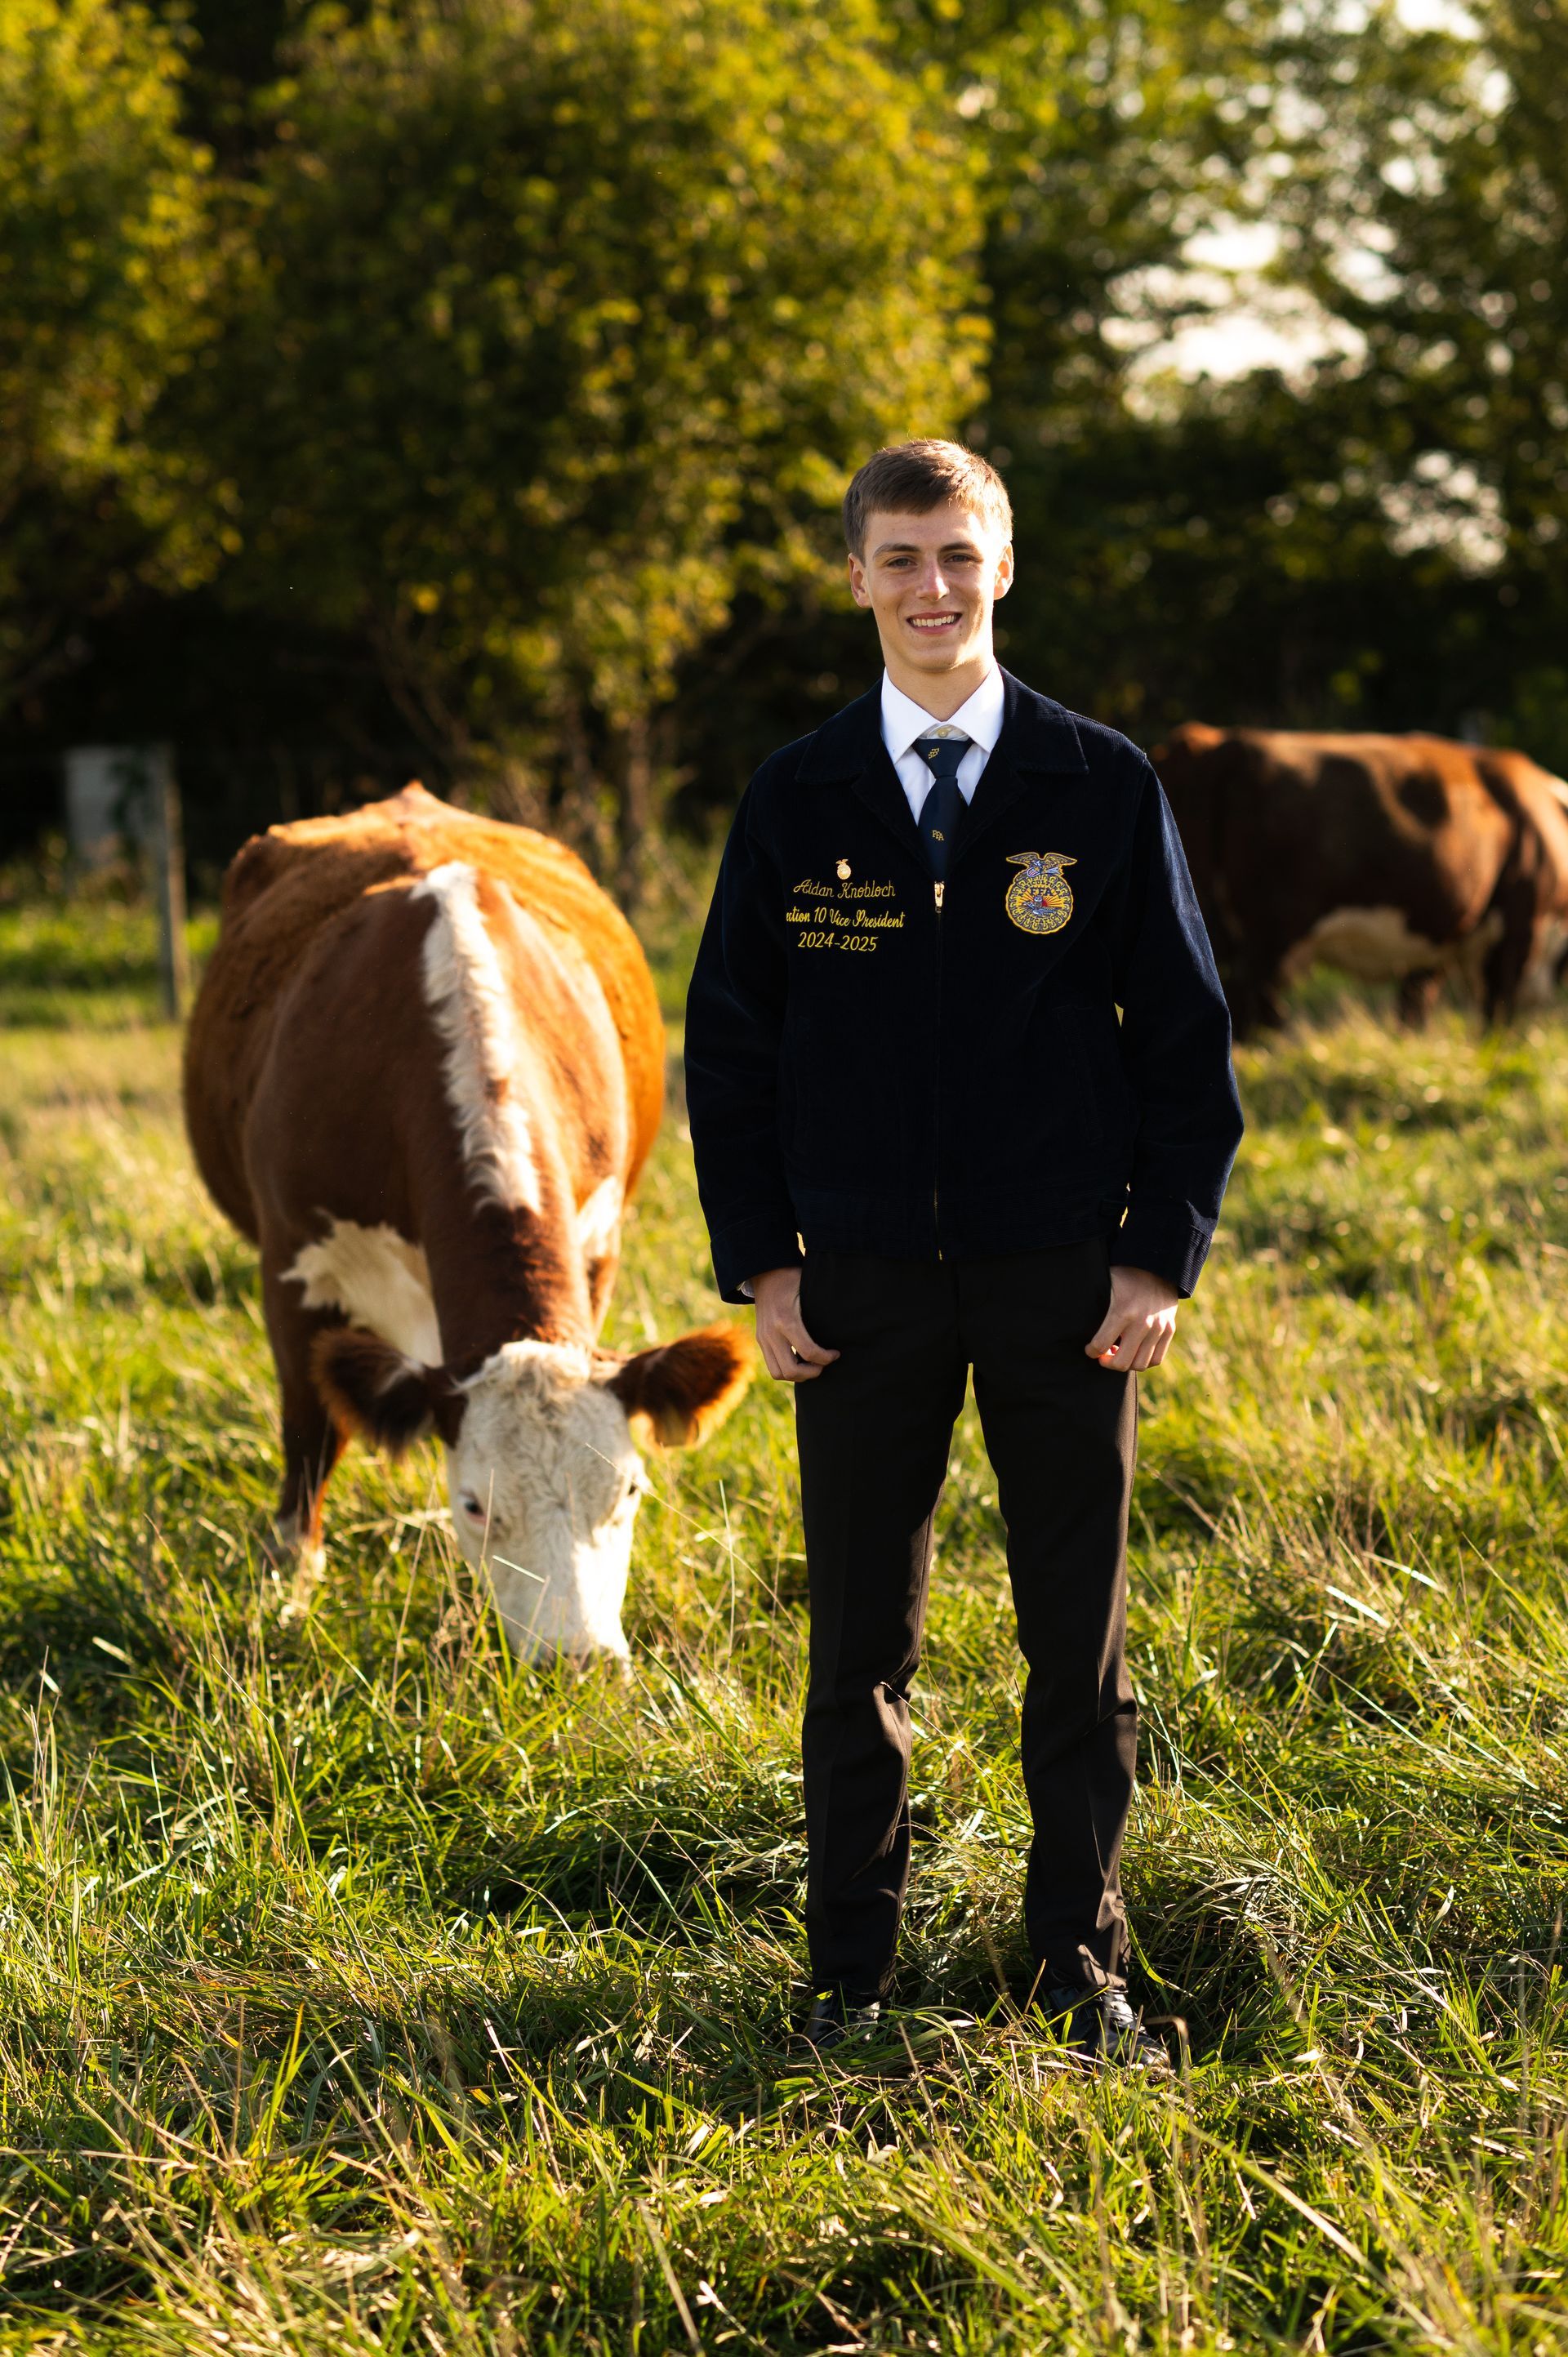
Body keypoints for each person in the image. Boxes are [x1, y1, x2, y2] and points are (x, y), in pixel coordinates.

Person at [684, 439, 1243, 2065]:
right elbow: (731, 1050)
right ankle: (848, 1980)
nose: (933, 587)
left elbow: (1187, 1044)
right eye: (901, 558)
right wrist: (766, 1268)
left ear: (1005, 568)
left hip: (1062, 1279)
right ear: (855, 576)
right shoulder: (798, 797)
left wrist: (1156, 1260)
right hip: (855, 1286)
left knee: (1077, 1642)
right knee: (860, 1643)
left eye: (959, 556)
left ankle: (1084, 1969)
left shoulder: (1098, 781)